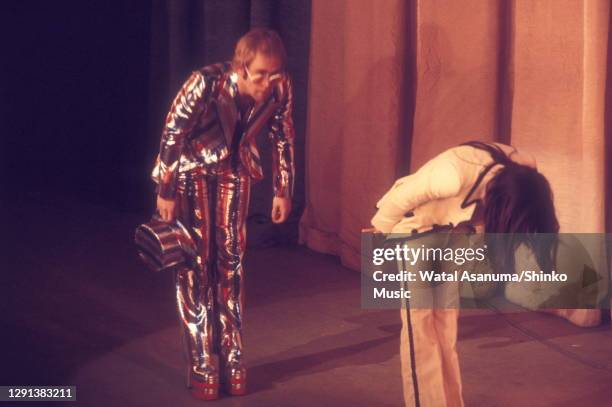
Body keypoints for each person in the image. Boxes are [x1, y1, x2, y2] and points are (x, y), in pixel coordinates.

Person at [152, 28, 295, 400]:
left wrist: (283, 189)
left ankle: (231, 354)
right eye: (261, 74)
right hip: (192, 170)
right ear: (241, 68)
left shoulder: (281, 87)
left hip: (236, 171)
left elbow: (282, 136)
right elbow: (172, 133)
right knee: (198, 261)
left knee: (231, 262)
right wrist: (165, 190)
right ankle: (202, 356)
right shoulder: (206, 82)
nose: (268, 82)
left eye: (274, 73)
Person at [370, 141, 561, 407]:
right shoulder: (452, 176)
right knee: (421, 327)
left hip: (454, 229)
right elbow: (400, 199)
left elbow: (498, 215)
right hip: (414, 228)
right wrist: (382, 233)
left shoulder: (524, 170)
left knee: (445, 325)